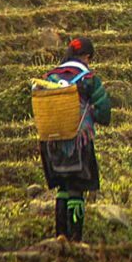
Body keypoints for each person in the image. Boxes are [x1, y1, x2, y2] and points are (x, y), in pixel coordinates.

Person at [39, 37, 112, 242]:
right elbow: (104, 112)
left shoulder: (48, 77)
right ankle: (75, 238)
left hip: (51, 143)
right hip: (78, 142)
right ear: (87, 57)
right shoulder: (88, 78)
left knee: (62, 189)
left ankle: (59, 235)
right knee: (76, 189)